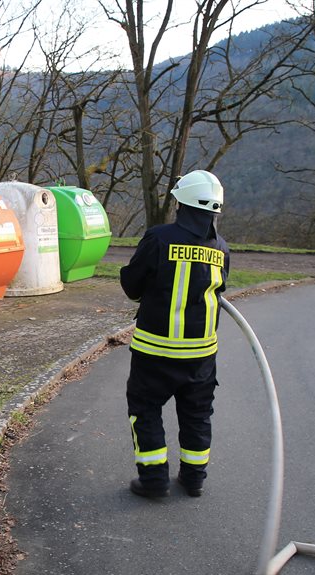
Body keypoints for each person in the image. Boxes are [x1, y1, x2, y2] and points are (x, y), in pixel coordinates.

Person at [120, 170, 230, 498]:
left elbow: (132, 286)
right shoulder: (221, 248)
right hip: (201, 357)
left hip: (155, 353)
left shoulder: (158, 238)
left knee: (145, 410)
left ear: (181, 203)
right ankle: (194, 479)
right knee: (197, 415)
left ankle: (154, 481)